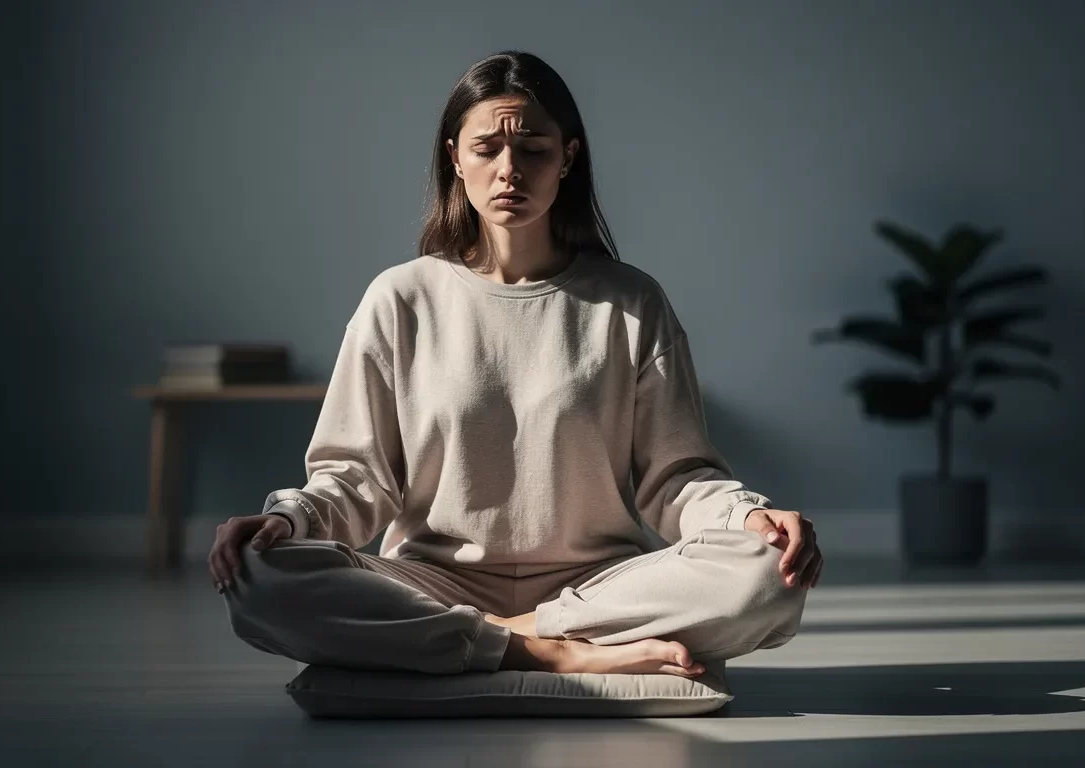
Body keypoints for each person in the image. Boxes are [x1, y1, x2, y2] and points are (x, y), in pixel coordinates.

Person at [211, 50, 820, 679]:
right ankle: (549, 653)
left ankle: (502, 638)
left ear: (568, 157)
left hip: (598, 589)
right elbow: (356, 479)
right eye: (486, 149)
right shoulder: (400, 298)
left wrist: (746, 515)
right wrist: (288, 518)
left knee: (764, 571)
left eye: (533, 149)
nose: (510, 170)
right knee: (259, 574)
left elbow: (677, 478)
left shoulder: (632, 301)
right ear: (454, 157)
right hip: (433, 583)